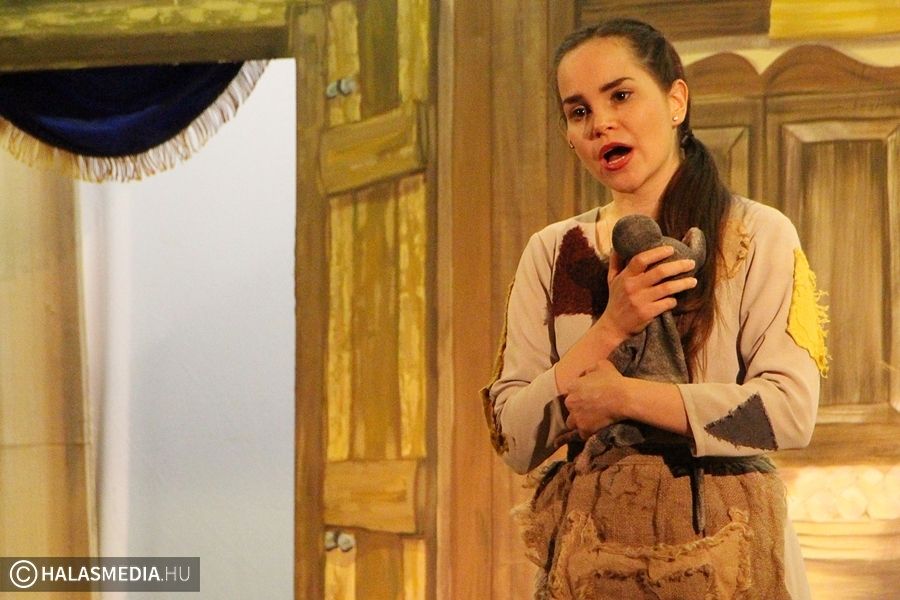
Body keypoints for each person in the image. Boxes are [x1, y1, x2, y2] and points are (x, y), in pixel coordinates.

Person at [482, 18, 828, 600]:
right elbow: (516, 439)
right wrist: (611, 326)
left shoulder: (755, 234)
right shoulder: (555, 251)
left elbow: (787, 413)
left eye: (620, 96)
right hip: (596, 555)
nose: (600, 123)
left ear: (675, 101)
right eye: (579, 111)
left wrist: (625, 398)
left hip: (729, 550)